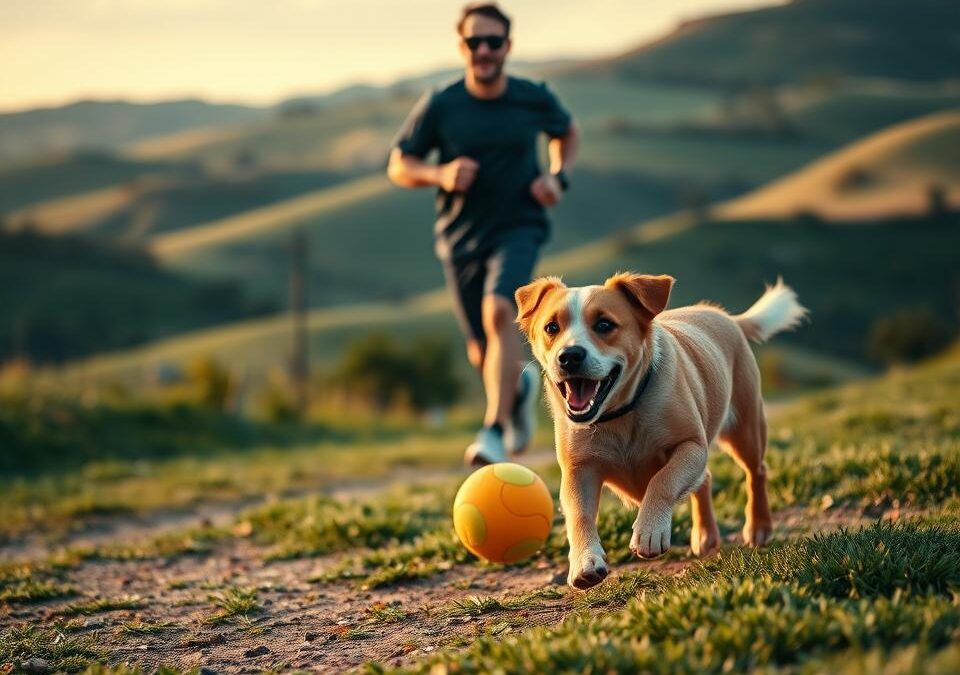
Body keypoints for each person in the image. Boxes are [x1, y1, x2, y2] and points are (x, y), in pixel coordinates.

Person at [386, 2, 580, 466]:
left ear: (508, 47)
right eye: (476, 42)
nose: (485, 50)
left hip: (520, 226)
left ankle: (492, 431)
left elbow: (567, 133)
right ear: (463, 47)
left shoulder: (532, 97)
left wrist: (557, 177)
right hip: (460, 239)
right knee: (481, 349)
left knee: (499, 311)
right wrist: (441, 174)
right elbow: (399, 163)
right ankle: (518, 390)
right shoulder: (442, 104)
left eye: (494, 41)